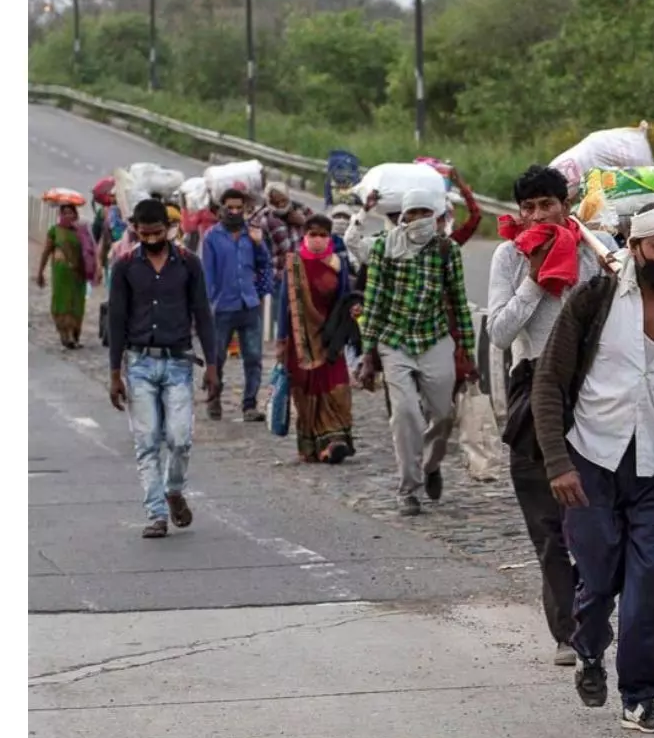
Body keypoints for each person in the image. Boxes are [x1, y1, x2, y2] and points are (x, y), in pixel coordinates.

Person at [531, 205, 654, 734]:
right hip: (589, 461)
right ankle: (589, 646)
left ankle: (639, 696)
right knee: (599, 573)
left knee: (652, 583)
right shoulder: (594, 301)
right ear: (636, 248)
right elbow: (549, 384)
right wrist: (559, 464)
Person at [486, 164, 613, 666]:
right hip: (533, 384)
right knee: (547, 523)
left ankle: (595, 610)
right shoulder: (508, 256)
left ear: (566, 205)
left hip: (592, 387)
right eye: (529, 208)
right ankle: (568, 632)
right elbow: (499, 331)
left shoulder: (593, 247)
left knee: (594, 515)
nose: (539, 215)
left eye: (548, 205)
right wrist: (538, 280)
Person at [358, 187, 478, 516]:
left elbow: (458, 300)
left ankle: (431, 464)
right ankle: (407, 488)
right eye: (414, 214)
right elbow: (374, 301)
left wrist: (467, 350)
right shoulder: (385, 248)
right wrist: (368, 355)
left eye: (428, 214)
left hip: (434, 338)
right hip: (394, 340)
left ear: (437, 217)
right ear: (403, 217)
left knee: (443, 415)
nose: (421, 220)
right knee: (406, 414)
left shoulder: (446, 250)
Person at [107, 200, 219, 538]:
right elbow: (116, 319)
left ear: (168, 229)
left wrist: (212, 365)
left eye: (157, 232)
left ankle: (173, 490)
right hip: (139, 363)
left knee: (180, 438)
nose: (152, 238)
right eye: (145, 233)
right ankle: (156, 513)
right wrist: (115, 373)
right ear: (136, 230)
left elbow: (202, 314)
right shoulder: (125, 267)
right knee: (147, 441)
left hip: (179, 363)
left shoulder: (188, 264)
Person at [273, 213, 357, 464]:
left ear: (330, 237)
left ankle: (334, 442)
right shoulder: (294, 264)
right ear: (304, 237)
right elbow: (283, 304)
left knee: (336, 389)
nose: (318, 240)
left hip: (330, 339)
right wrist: (281, 340)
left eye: (323, 235)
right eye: (313, 235)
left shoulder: (338, 264)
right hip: (300, 341)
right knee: (306, 391)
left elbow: (345, 299)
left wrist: (350, 322)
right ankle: (311, 445)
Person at [201, 188, 273, 422]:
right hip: (222, 307)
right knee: (217, 357)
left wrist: (259, 244)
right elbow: (208, 274)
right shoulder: (212, 237)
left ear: (244, 209)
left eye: (238, 208)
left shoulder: (251, 235)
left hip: (249, 304)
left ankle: (250, 405)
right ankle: (214, 400)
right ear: (221, 208)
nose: (234, 212)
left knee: (253, 357)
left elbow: (265, 264)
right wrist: (206, 306)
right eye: (229, 208)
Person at [37, 200, 100, 349]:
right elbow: (46, 252)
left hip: (78, 274)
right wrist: (40, 272)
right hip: (61, 274)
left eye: (70, 213)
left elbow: (91, 251)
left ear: (75, 214)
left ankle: (76, 336)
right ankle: (65, 336)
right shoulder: (54, 231)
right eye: (64, 213)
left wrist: (95, 269)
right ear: (60, 215)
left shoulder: (82, 232)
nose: (68, 216)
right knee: (62, 303)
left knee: (77, 304)